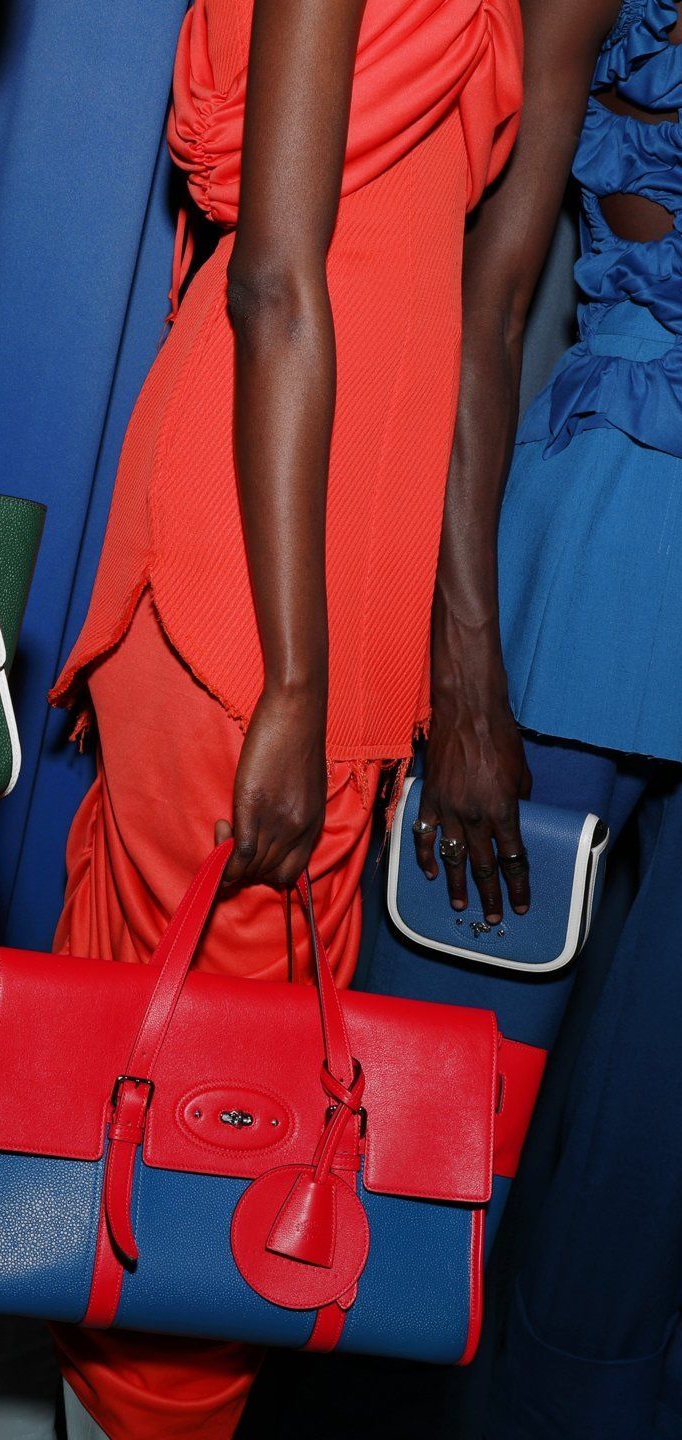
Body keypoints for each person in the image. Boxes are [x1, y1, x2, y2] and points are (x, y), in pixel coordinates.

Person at [43, 0, 526, 1434]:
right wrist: (299, 681)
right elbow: (274, 285)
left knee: (213, 1111)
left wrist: (451, 653)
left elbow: (474, 315)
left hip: (342, 584)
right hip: (259, 584)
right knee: (201, 1134)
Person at [366, 0, 682, 1433]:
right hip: (594, 570)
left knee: (646, 1163)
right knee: (426, 1117)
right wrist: (464, 670)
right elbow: (477, 308)